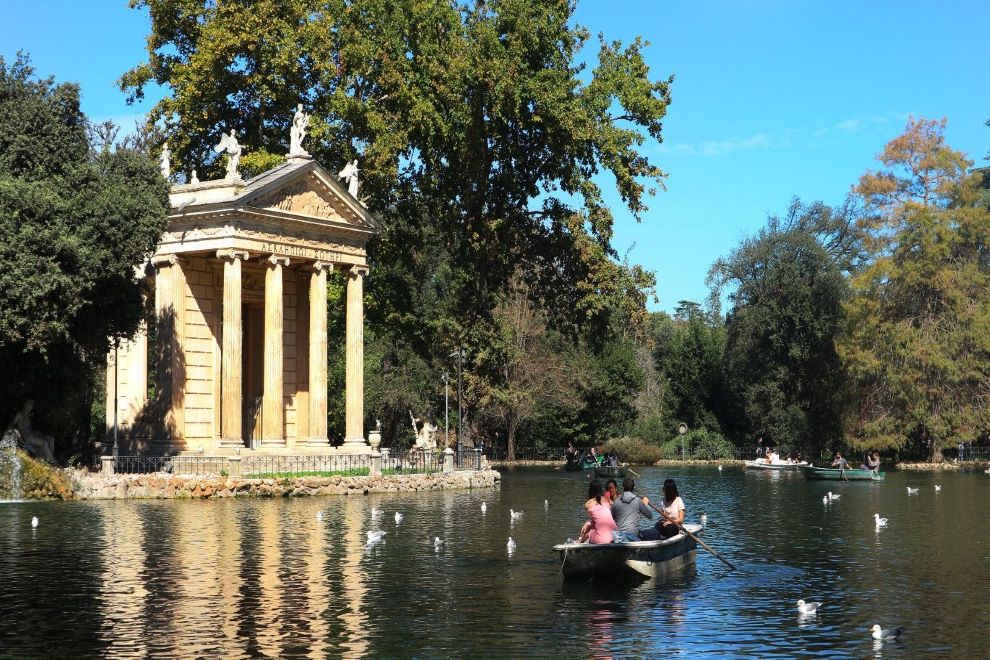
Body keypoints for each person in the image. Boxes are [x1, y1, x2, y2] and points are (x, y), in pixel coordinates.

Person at [610, 478, 654, 542]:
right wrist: (646, 504)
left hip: (618, 537)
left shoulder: (615, 502)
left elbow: (612, 520)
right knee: (654, 532)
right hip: (633, 537)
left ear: (623, 487)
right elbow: (650, 516)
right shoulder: (638, 501)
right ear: (633, 487)